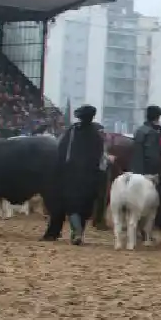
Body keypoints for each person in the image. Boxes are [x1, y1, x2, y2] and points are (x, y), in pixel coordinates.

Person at [46, 105, 105, 245]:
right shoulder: (96, 134)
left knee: (72, 205)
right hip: (90, 176)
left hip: (71, 174)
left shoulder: (72, 131)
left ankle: (76, 232)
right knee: (85, 206)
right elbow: (99, 156)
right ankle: (79, 233)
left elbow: (61, 150)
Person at [132, 105, 161, 228]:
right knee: (150, 203)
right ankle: (145, 230)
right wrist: (156, 174)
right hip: (148, 173)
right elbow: (152, 156)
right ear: (156, 118)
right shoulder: (153, 134)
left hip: (135, 170)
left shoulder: (139, 131)